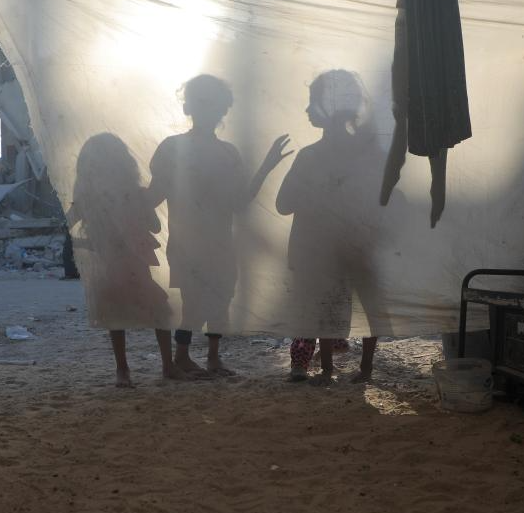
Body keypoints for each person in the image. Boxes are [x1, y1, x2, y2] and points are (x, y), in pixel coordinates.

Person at [148, 74, 291, 376]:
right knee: (194, 302)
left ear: (222, 110)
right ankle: (183, 356)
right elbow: (154, 195)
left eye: (213, 104)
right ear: (189, 107)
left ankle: (212, 357)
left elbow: (238, 202)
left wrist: (267, 167)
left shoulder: (227, 153)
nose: (208, 110)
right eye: (202, 102)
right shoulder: (173, 148)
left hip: (220, 243)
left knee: (221, 299)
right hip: (187, 244)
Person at [276, 70, 382, 385]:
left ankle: (326, 369)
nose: (307, 110)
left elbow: (283, 204)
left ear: (329, 105)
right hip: (354, 245)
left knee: (324, 307)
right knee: (359, 307)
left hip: (317, 249)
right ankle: (363, 368)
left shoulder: (311, 156)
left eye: (313, 102)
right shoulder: (367, 154)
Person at [67, 133, 188, 387]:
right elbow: (154, 226)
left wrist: (90, 242)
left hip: (122, 268)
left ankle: (128, 369)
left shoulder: (98, 199)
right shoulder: (106, 198)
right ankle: (158, 366)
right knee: (151, 312)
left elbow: (67, 226)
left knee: (126, 315)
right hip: (122, 268)